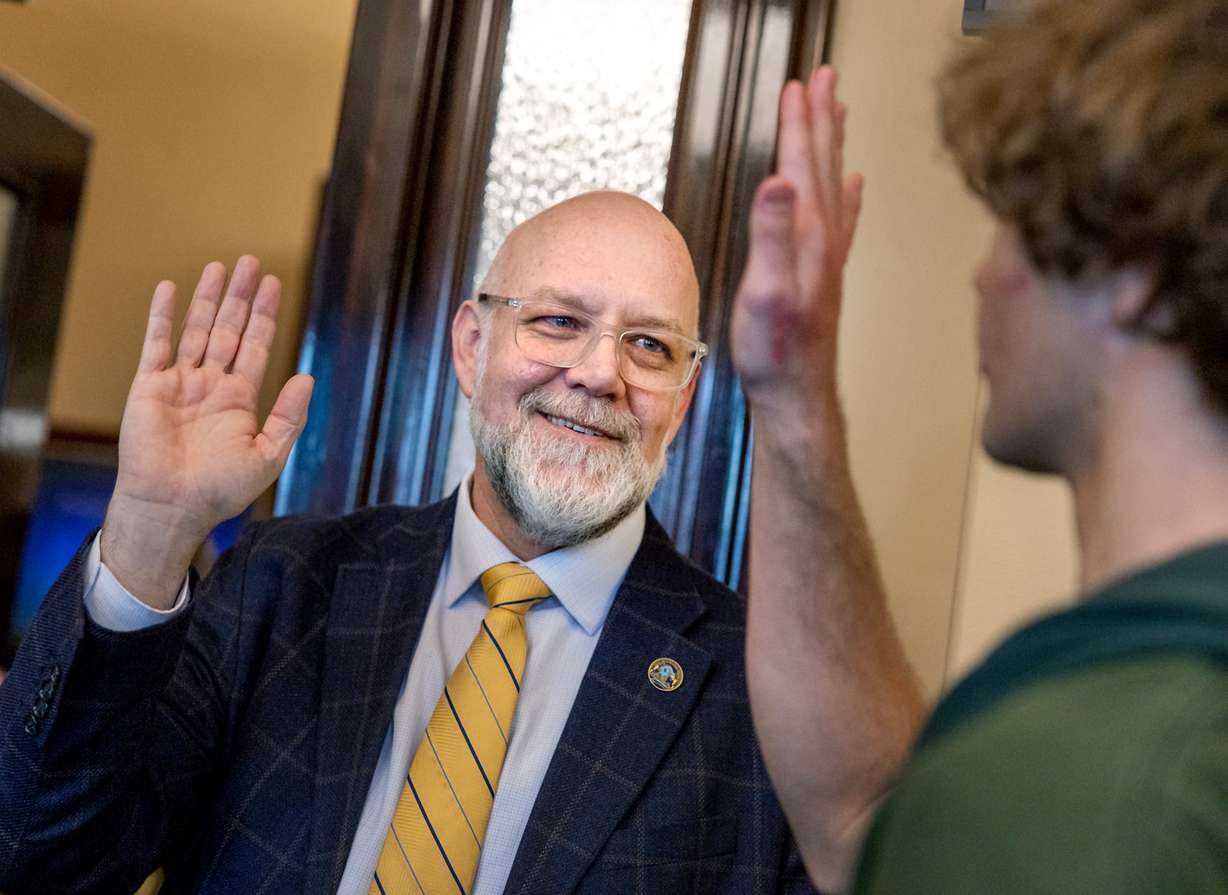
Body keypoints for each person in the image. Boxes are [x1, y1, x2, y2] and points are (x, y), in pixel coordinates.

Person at [0, 192, 831, 894]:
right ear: (472, 346)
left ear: (681, 400)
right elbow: (37, 858)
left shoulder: (764, 695)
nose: (599, 373)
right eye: (558, 321)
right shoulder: (281, 586)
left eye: (649, 344)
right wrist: (152, 529)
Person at [733, 0, 1228, 891]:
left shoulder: (1103, 779)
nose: (987, 274)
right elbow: (864, 827)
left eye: (1011, 220)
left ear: (1134, 275)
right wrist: (792, 392)